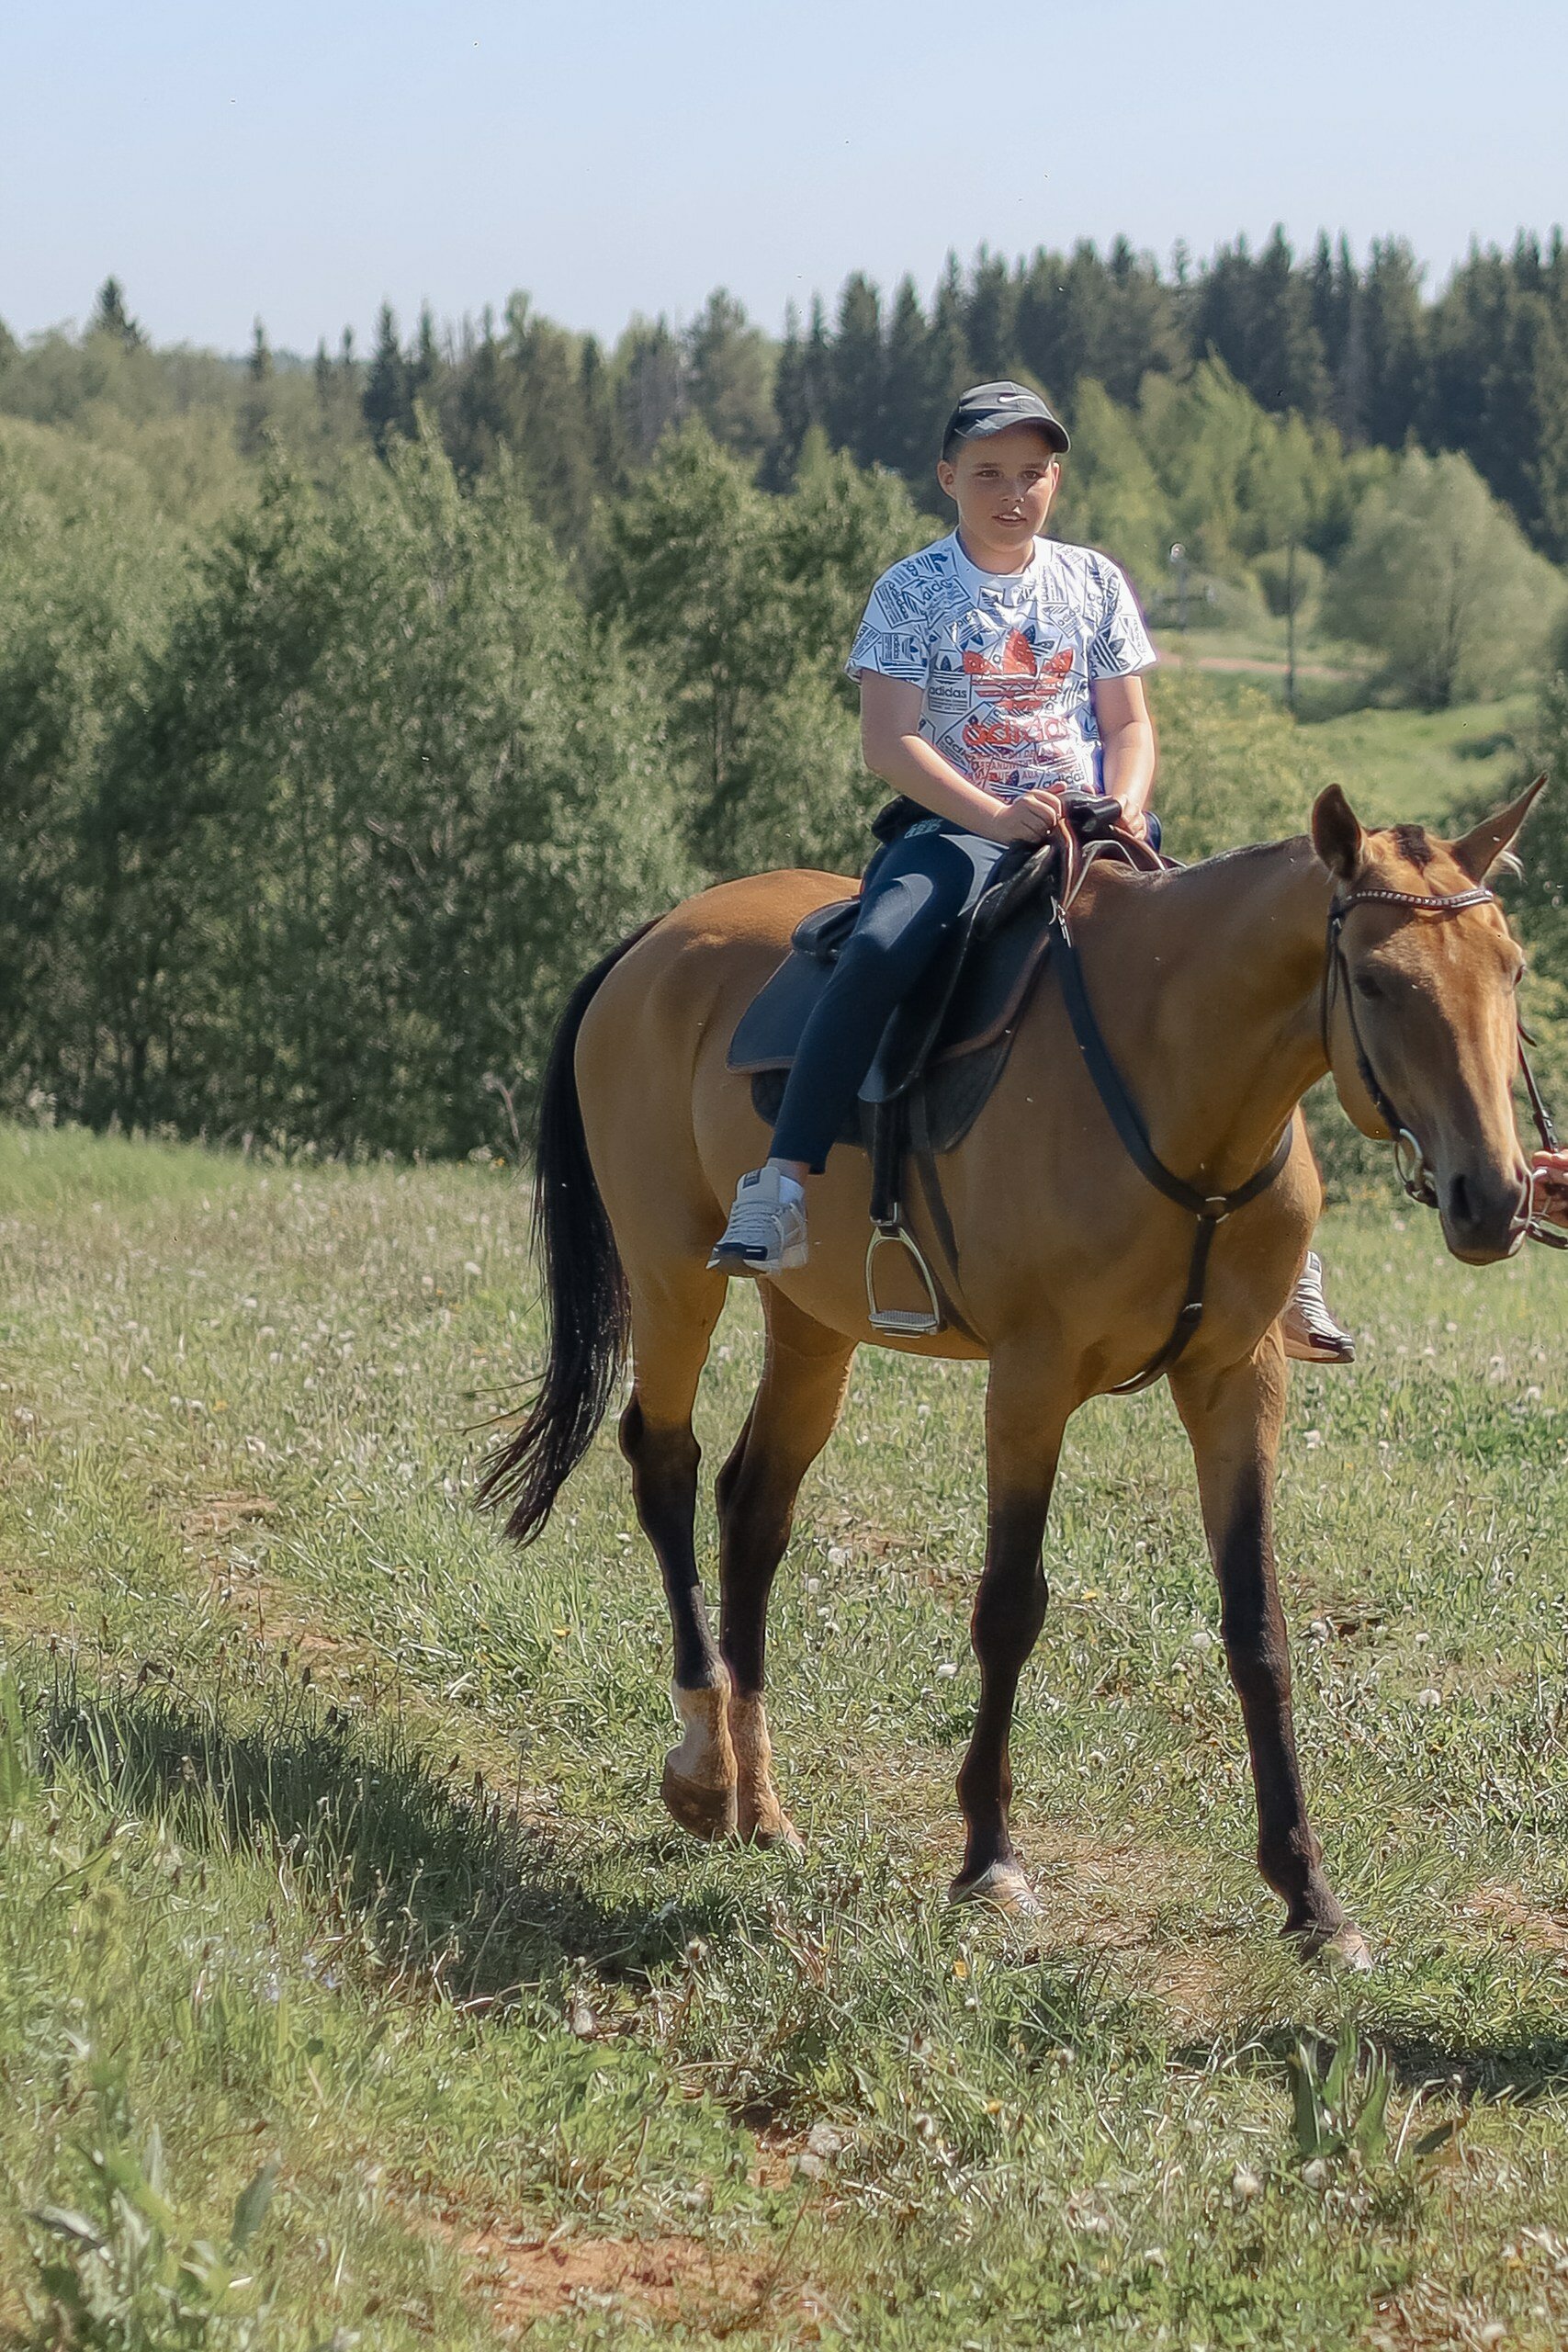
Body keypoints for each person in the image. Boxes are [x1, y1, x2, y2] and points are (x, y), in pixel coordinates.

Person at [709, 380, 1353, 1363]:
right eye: (989, 474)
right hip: (956, 831)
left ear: (1055, 479)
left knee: (1240, 967)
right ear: (947, 479)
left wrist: (1129, 800)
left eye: (1032, 473)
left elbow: (1130, 722)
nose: (1013, 493)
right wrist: (991, 813)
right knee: (879, 946)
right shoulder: (911, 590)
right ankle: (784, 1182)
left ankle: (1289, 1250)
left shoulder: (1094, 582)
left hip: (1094, 833)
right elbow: (890, 744)